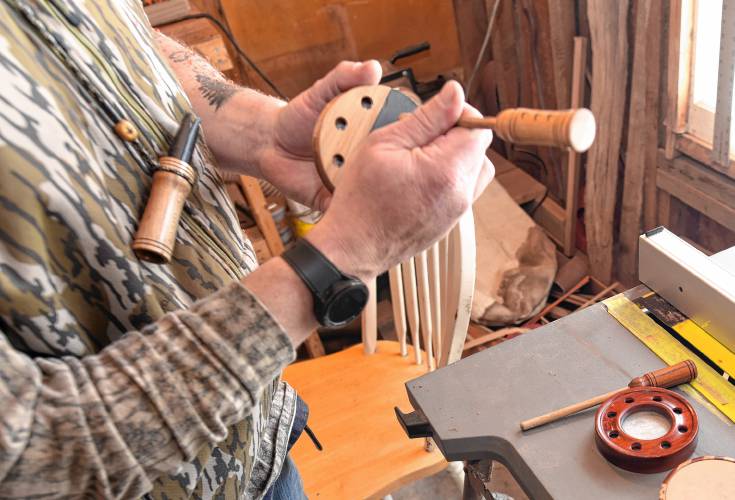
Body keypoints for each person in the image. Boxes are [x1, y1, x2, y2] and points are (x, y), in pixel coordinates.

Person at [0, 0, 493, 498]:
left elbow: (116, 35)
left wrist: (266, 135)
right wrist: (337, 260)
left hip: (259, 435)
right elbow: (30, 456)